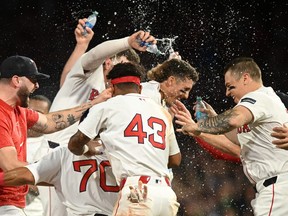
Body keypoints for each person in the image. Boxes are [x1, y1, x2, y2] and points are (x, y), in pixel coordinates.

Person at [43, 24, 148, 215]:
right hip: (55, 150)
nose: (122, 76)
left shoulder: (117, 92)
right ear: (108, 62)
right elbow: (94, 55)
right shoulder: (88, 75)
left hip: (83, 156)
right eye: (120, 67)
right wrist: (127, 42)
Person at [173, 57, 288, 215]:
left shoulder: (258, 97)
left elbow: (233, 119)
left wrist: (197, 126)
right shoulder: (265, 103)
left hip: (278, 187)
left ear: (245, 78)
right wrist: (204, 126)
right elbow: (234, 142)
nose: (227, 92)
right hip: (276, 187)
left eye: (230, 86)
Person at [0, 55, 110, 216]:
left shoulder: (18, 111)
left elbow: (51, 122)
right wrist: (61, 174)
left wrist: (93, 103)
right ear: (16, 80)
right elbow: (10, 166)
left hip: (11, 203)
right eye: (33, 79)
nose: (37, 85)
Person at [68, 62, 181, 216]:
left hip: (137, 191)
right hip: (166, 195)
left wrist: (88, 148)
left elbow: (74, 144)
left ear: (112, 87)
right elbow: (175, 159)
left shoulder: (107, 106)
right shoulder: (162, 112)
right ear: (140, 88)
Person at [24, 95, 52, 216]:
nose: (32, 116)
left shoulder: (52, 148)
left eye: (38, 113)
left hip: (34, 210)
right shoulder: (7, 137)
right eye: (29, 111)